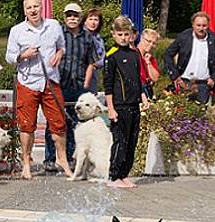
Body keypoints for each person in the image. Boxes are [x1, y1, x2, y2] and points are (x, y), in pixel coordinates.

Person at [5, 0, 72, 179]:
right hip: (28, 82)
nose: (33, 10)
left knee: (59, 123)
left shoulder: (54, 25)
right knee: (27, 126)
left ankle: (62, 159)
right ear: (24, 10)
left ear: (41, 8)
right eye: (29, 7)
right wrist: (23, 55)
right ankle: (26, 162)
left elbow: (62, 46)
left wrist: (59, 54)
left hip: (50, 81)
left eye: (36, 6)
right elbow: (9, 57)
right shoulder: (17, 30)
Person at [43, 2, 95, 172]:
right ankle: (50, 158)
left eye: (75, 15)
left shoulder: (87, 38)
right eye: (69, 15)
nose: (72, 18)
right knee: (55, 121)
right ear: (64, 17)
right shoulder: (58, 35)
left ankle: (71, 157)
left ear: (81, 18)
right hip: (59, 84)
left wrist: (86, 84)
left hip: (79, 85)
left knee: (75, 123)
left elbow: (91, 63)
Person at [104, 16, 149, 189]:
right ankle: (113, 175)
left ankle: (124, 174)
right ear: (113, 34)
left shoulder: (134, 54)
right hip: (119, 106)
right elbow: (108, 85)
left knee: (132, 142)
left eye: (126, 34)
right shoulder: (112, 56)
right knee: (120, 141)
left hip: (133, 105)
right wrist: (110, 108)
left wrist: (143, 98)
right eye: (120, 34)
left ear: (132, 35)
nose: (123, 37)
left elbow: (138, 80)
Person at [164, 11, 215, 104]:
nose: (201, 28)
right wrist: (174, 76)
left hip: (203, 84)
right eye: (198, 25)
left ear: (208, 25)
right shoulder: (184, 37)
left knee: (201, 115)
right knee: (181, 114)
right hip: (184, 82)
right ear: (193, 25)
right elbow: (168, 54)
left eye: (204, 25)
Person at [83, 7, 105, 94]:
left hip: (93, 77)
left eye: (96, 19)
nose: (93, 22)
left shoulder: (99, 39)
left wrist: (94, 65)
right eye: (90, 19)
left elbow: (103, 58)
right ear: (85, 21)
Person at [136, 28, 161, 100]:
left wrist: (148, 63)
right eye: (148, 41)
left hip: (147, 89)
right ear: (141, 39)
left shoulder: (151, 59)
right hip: (137, 90)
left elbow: (155, 78)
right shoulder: (133, 54)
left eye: (154, 43)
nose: (151, 45)